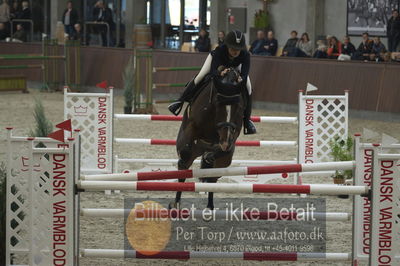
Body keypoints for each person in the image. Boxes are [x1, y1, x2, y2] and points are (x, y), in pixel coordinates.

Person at [168, 30, 256, 135]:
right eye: (233, 48)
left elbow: (245, 73)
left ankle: (247, 121)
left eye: (238, 49)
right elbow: (213, 71)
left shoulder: (245, 55)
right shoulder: (219, 51)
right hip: (218, 64)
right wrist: (220, 73)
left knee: (249, 87)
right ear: (227, 46)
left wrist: (241, 78)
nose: (235, 52)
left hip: (236, 66)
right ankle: (180, 101)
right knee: (200, 76)